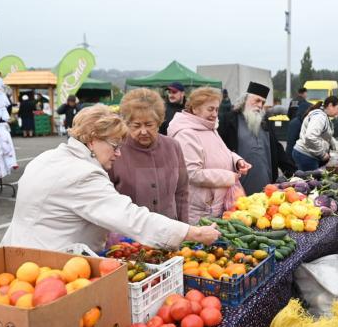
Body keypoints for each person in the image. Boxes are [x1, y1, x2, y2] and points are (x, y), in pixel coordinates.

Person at [1, 104, 219, 253]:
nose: (118, 153)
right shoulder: (83, 175)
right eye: (114, 146)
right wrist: (194, 232)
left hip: (18, 253)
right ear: (93, 140)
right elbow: (131, 218)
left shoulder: (48, 157)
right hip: (50, 265)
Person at [168, 87, 252, 224]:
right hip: (200, 212)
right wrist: (229, 177)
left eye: (217, 109)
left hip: (215, 207)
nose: (214, 114)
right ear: (195, 109)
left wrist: (237, 161)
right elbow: (192, 173)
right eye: (210, 109)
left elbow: (221, 152)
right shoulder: (186, 134)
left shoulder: (209, 127)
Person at [108, 88, 189, 223]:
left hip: (169, 231)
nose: (143, 131)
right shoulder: (115, 150)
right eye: (136, 125)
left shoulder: (173, 147)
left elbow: (182, 192)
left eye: (149, 124)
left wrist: (185, 229)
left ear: (159, 123)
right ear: (126, 124)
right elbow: (107, 199)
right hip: (128, 237)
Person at [218, 81, 296, 195]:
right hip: (237, 191)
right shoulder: (229, 121)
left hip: (266, 190)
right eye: (257, 100)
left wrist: (295, 175)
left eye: (263, 102)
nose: (260, 105)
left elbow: (278, 151)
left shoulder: (265, 123)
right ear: (245, 100)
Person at [292, 96, 338, 171]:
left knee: (312, 180)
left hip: (309, 154)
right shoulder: (319, 117)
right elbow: (310, 137)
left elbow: (327, 137)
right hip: (306, 155)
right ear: (330, 105)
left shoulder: (324, 117)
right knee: (310, 181)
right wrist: (322, 154)